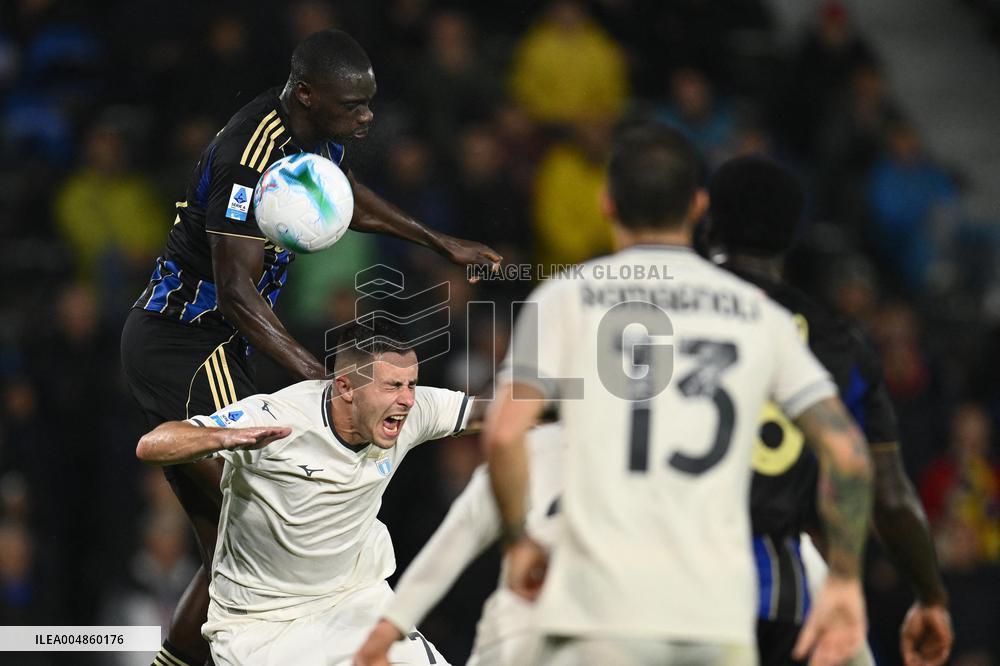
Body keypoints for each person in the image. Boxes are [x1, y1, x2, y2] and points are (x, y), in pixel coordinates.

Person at [120, 28, 500, 666]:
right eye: (353, 105)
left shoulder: (313, 133)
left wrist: (441, 242)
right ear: (306, 94)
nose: (367, 115)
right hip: (184, 341)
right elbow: (237, 294)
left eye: (367, 103)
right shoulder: (251, 155)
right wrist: (329, 384)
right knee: (259, 527)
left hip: (218, 342)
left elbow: (344, 201)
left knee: (227, 543)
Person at [483, 124, 874, 666]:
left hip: (600, 610)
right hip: (716, 614)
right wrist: (846, 579)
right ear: (697, 205)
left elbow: (504, 434)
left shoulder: (565, 298)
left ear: (606, 203)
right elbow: (849, 455)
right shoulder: (760, 314)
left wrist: (517, 541)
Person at [707, 155, 953, 666]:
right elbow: (888, 493)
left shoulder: (657, 316)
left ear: (707, 217)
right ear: (796, 233)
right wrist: (930, 596)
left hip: (656, 585)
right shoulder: (837, 342)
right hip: (775, 597)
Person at [135, 319, 485, 665]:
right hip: (264, 625)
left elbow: (496, 413)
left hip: (354, 601)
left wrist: (535, 401)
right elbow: (152, 445)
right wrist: (221, 437)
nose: (408, 399)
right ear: (346, 387)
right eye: (394, 386)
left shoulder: (410, 411)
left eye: (412, 384)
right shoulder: (277, 419)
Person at [354, 423, 564, 666]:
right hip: (602, 627)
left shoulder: (537, 447)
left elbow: (461, 534)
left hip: (522, 627)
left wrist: (388, 629)